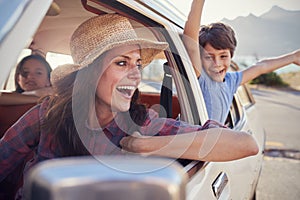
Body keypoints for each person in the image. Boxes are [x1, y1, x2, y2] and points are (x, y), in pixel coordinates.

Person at [0, 14, 259, 199]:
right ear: (88, 74)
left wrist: (145, 146)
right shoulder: (47, 114)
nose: (136, 75)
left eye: (137, 64)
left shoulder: (142, 126)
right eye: (122, 63)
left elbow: (246, 144)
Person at [183, 0, 300, 124]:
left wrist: (293, 57)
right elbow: (191, 45)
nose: (216, 63)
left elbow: (261, 66)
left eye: (223, 56)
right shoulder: (201, 79)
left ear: (231, 55)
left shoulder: (231, 81)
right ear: (200, 58)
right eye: (209, 57)